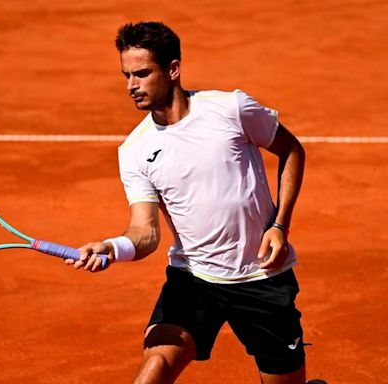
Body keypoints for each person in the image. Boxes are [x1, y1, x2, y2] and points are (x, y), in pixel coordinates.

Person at [65, 21, 307, 384]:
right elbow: (144, 232)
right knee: (154, 370)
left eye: (142, 73)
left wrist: (279, 226)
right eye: (126, 75)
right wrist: (114, 247)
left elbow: (291, 151)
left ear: (173, 70)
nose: (132, 85)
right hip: (193, 281)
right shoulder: (135, 150)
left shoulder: (230, 109)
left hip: (262, 276)